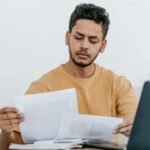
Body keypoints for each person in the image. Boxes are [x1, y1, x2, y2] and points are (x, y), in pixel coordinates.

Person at [0, 3, 137, 149]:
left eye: (93, 40)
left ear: (102, 46)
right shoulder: (42, 87)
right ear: (67, 37)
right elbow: (10, 145)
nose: (84, 45)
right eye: (79, 37)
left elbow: (139, 132)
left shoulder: (118, 84)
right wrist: (6, 132)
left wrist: (134, 130)